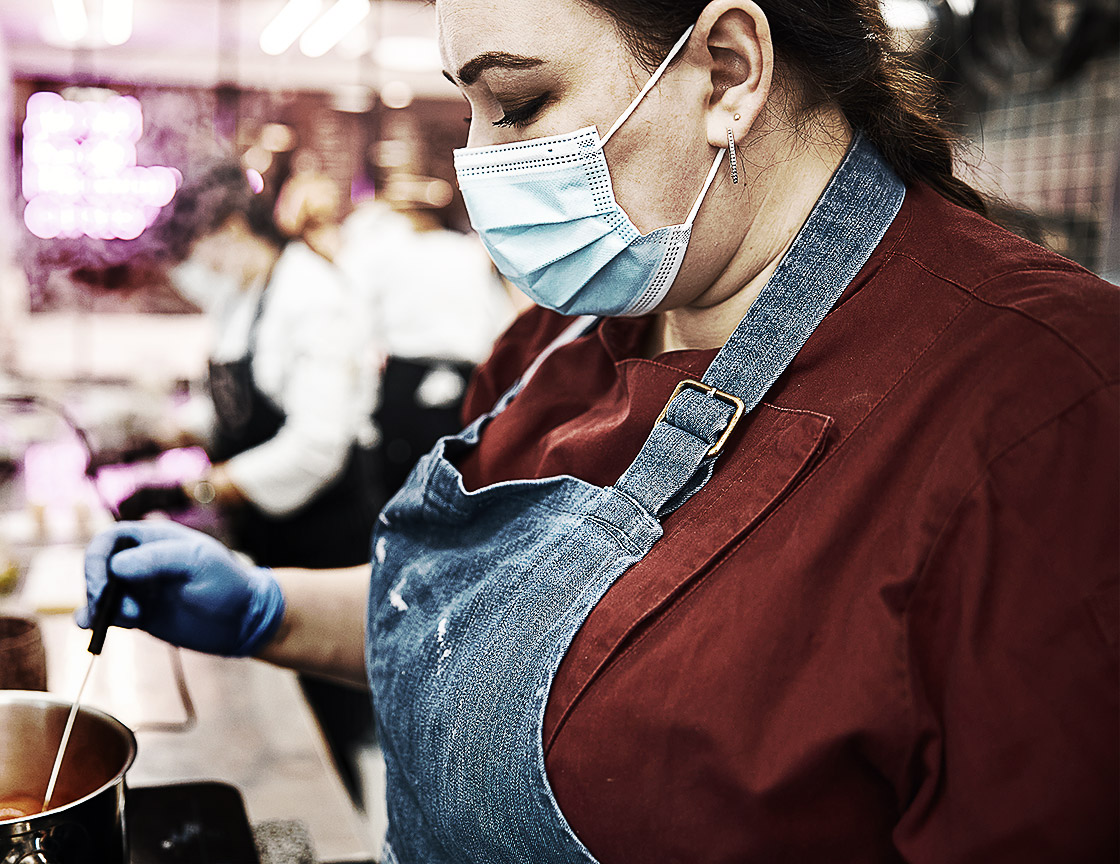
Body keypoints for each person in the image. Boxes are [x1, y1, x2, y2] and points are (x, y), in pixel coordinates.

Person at [82, 1, 1120, 862]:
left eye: (520, 102)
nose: (476, 164)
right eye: (470, 109)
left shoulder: (1045, 412)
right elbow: (514, 637)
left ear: (726, 69)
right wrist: (271, 611)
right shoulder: (556, 344)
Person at [127, 158, 381, 571]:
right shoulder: (242, 296)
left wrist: (199, 489)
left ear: (231, 227)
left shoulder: (311, 295)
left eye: (198, 251)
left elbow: (314, 449)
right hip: (262, 531)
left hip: (321, 539)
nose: (201, 268)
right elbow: (238, 411)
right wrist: (159, 437)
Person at [338, 196, 519, 498]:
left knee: (402, 488)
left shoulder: (385, 252)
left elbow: (357, 326)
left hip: (412, 382)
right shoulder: (467, 252)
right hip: (460, 380)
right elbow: (500, 323)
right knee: (459, 480)